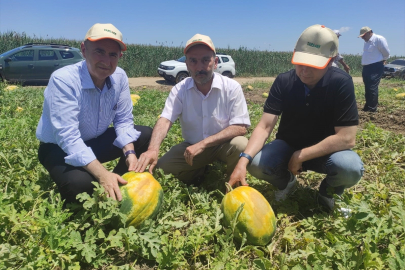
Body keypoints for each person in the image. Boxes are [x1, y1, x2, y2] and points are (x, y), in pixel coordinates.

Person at [228, 25, 364, 211]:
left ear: (331, 61)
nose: (305, 71)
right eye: (300, 63)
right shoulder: (284, 81)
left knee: (350, 167)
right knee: (257, 164)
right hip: (288, 144)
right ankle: (287, 183)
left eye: (314, 65)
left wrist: (301, 155)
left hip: (327, 151)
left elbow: (347, 138)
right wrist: (242, 161)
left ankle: (327, 193)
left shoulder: (341, 83)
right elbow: (265, 126)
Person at [36, 23, 152, 204]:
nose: (107, 61)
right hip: (58, 148)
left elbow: (123, 120)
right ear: (84, 50)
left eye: (113, 54)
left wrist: (130, 154)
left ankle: (119, 183)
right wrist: (102, 174)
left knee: (145, 136)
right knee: (81, 185)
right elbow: (68, 137)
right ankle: (105, 181)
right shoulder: (64, 79)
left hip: (94, 142)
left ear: (120, 56)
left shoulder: (120, 77)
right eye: (99, 51)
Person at [134, 34, 251, 185]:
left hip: (223, 145)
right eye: (193, 61)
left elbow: (241, 127)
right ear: (187, 64)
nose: (199, 67)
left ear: (215, 62)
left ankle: (231, 181)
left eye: (205, 60)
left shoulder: (231, 87)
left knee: (241, 144)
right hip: (191, 148)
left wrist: (203, 144)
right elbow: (165, 120)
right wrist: (153, 149)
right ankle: (200, 170)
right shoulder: (180, 90)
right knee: (161, 169)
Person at [358, 26, 390, 112]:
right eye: (362, 37)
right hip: (367, 67)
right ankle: (368, 106)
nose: (363, 38)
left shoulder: (379, 39)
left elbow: (386, 52)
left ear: (369, 32)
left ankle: (372, 108)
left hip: (375, 66)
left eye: (364, 36)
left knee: (372, 87)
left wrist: (383, 60)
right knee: (367, 87)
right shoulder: (367, 42)